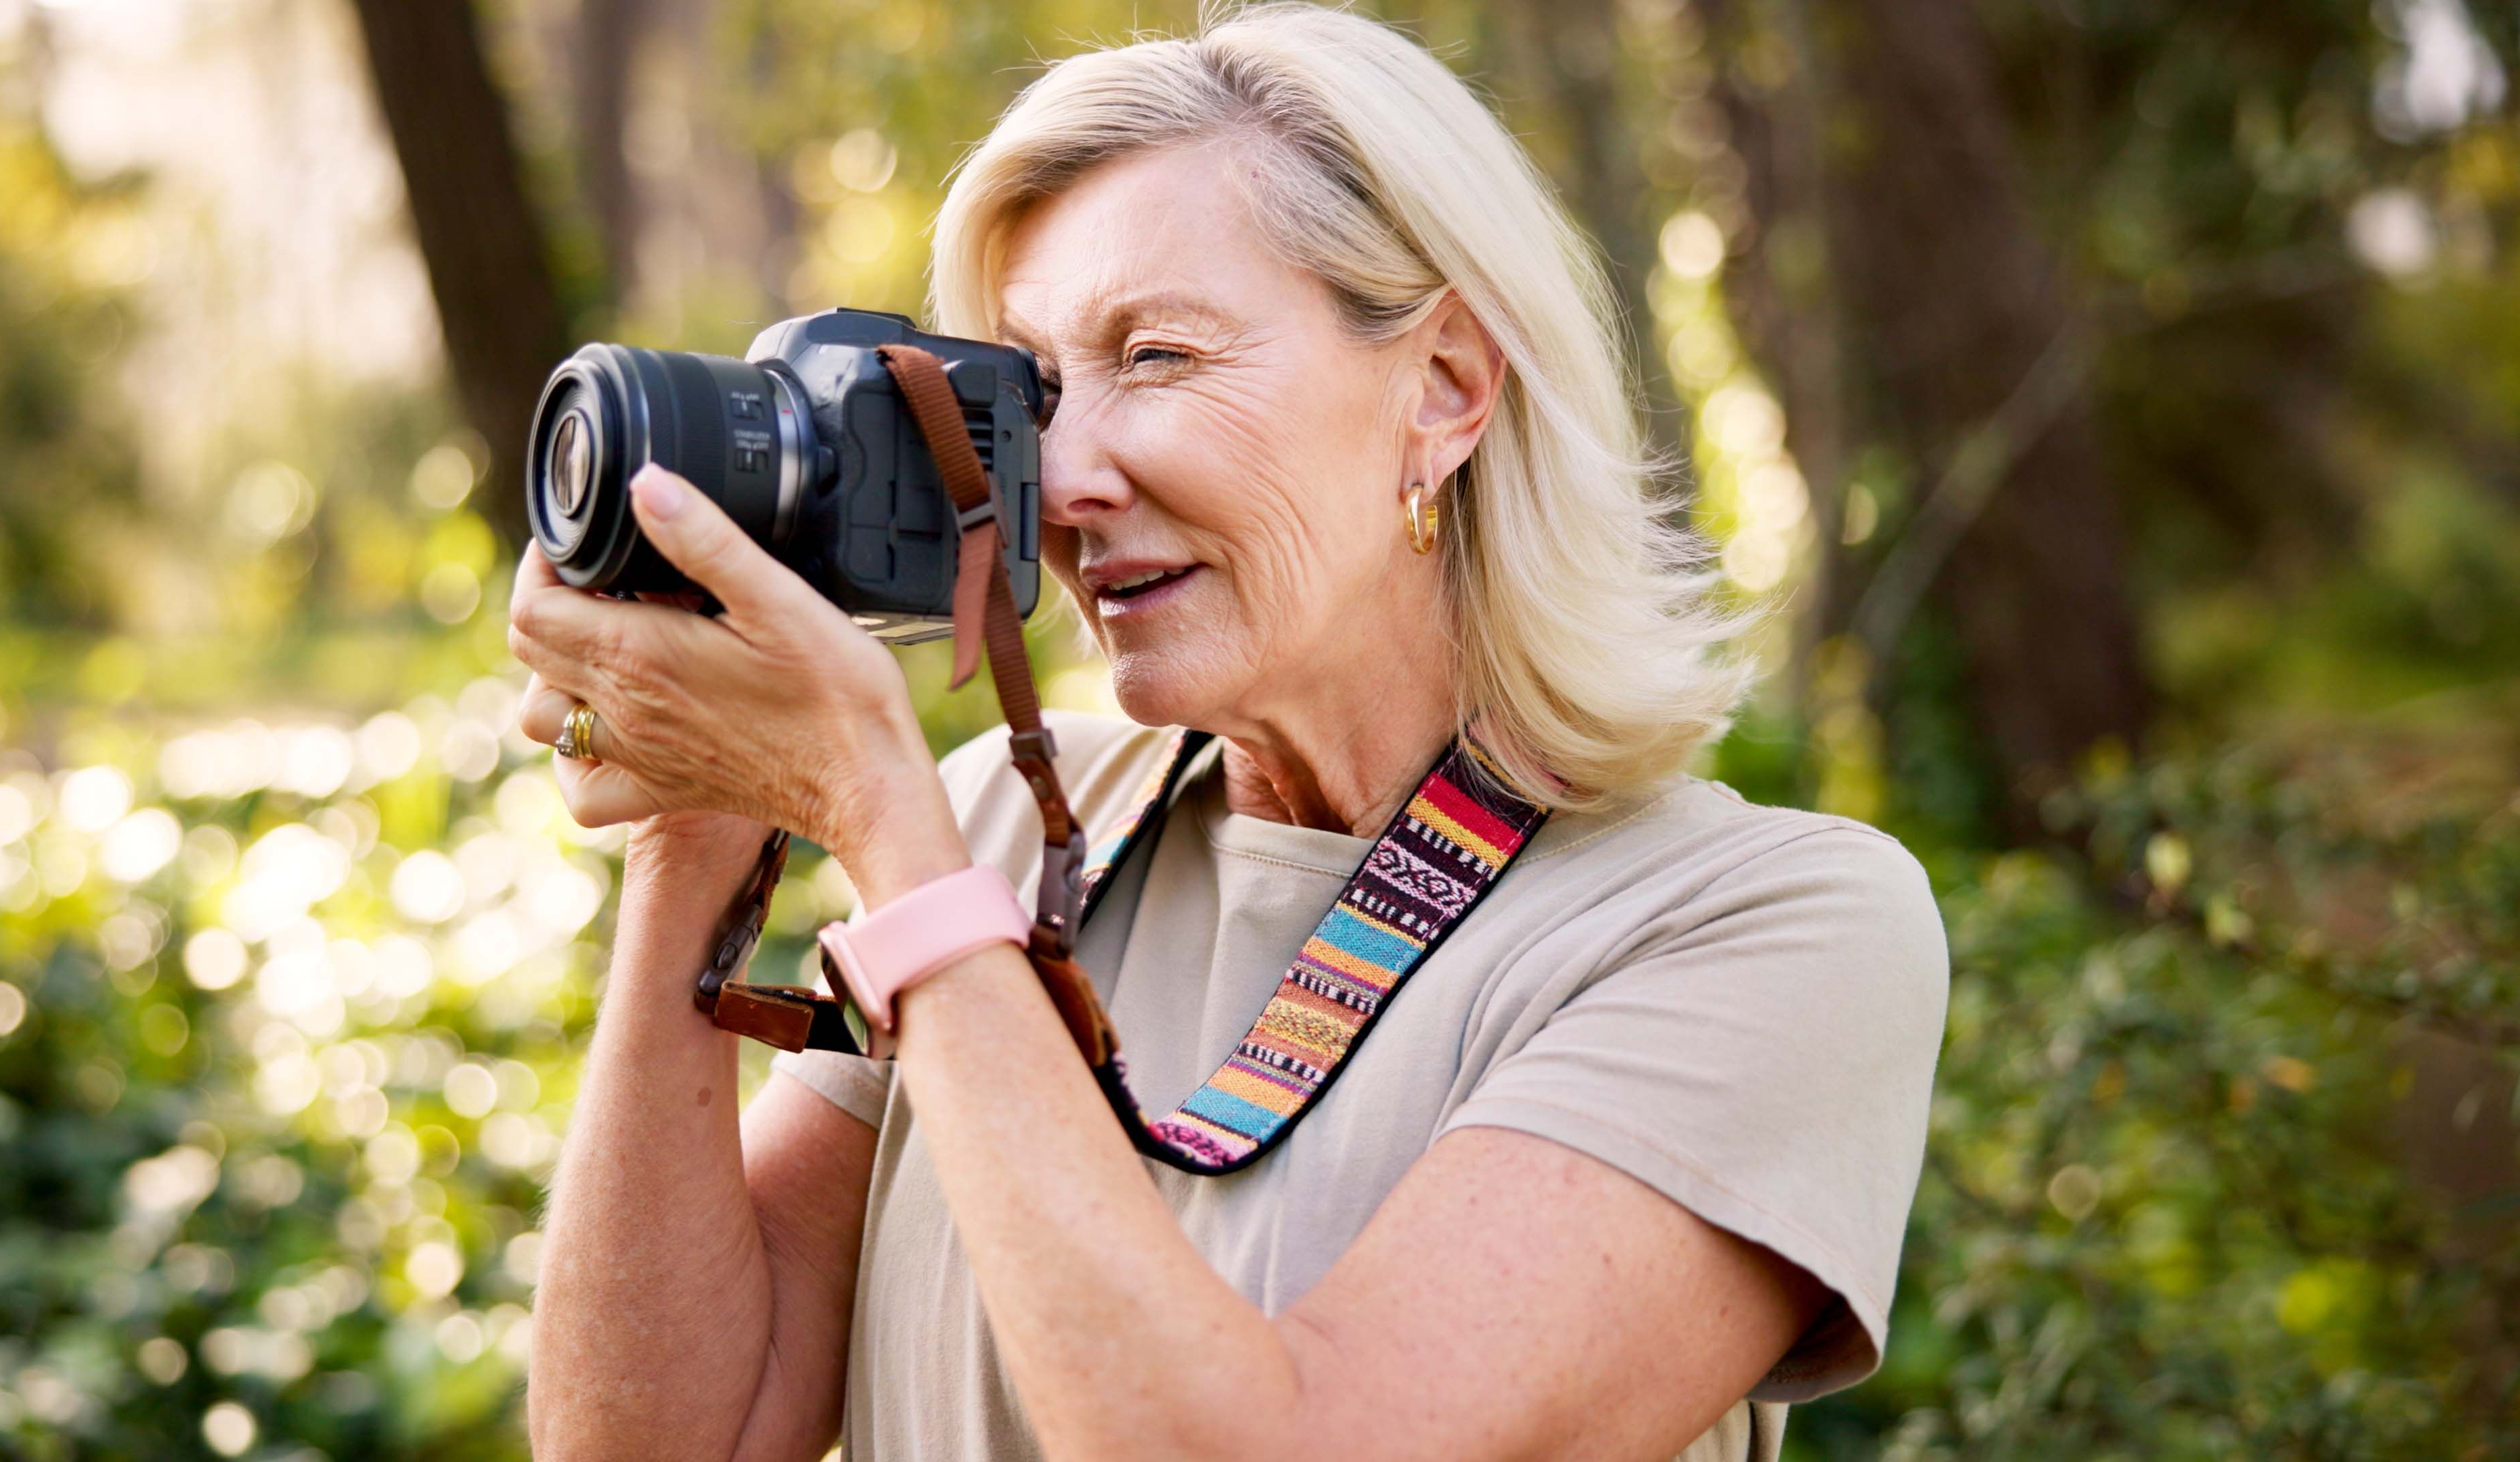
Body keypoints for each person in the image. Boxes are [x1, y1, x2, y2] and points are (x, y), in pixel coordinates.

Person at [506, 5, 1947, 1459]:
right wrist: (695, 836)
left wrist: (883, 824)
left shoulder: (1760, 927)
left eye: (1159, 356)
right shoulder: (1000, 832)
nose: (1062, 477)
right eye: (1033, 394)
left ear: (1443, 386)